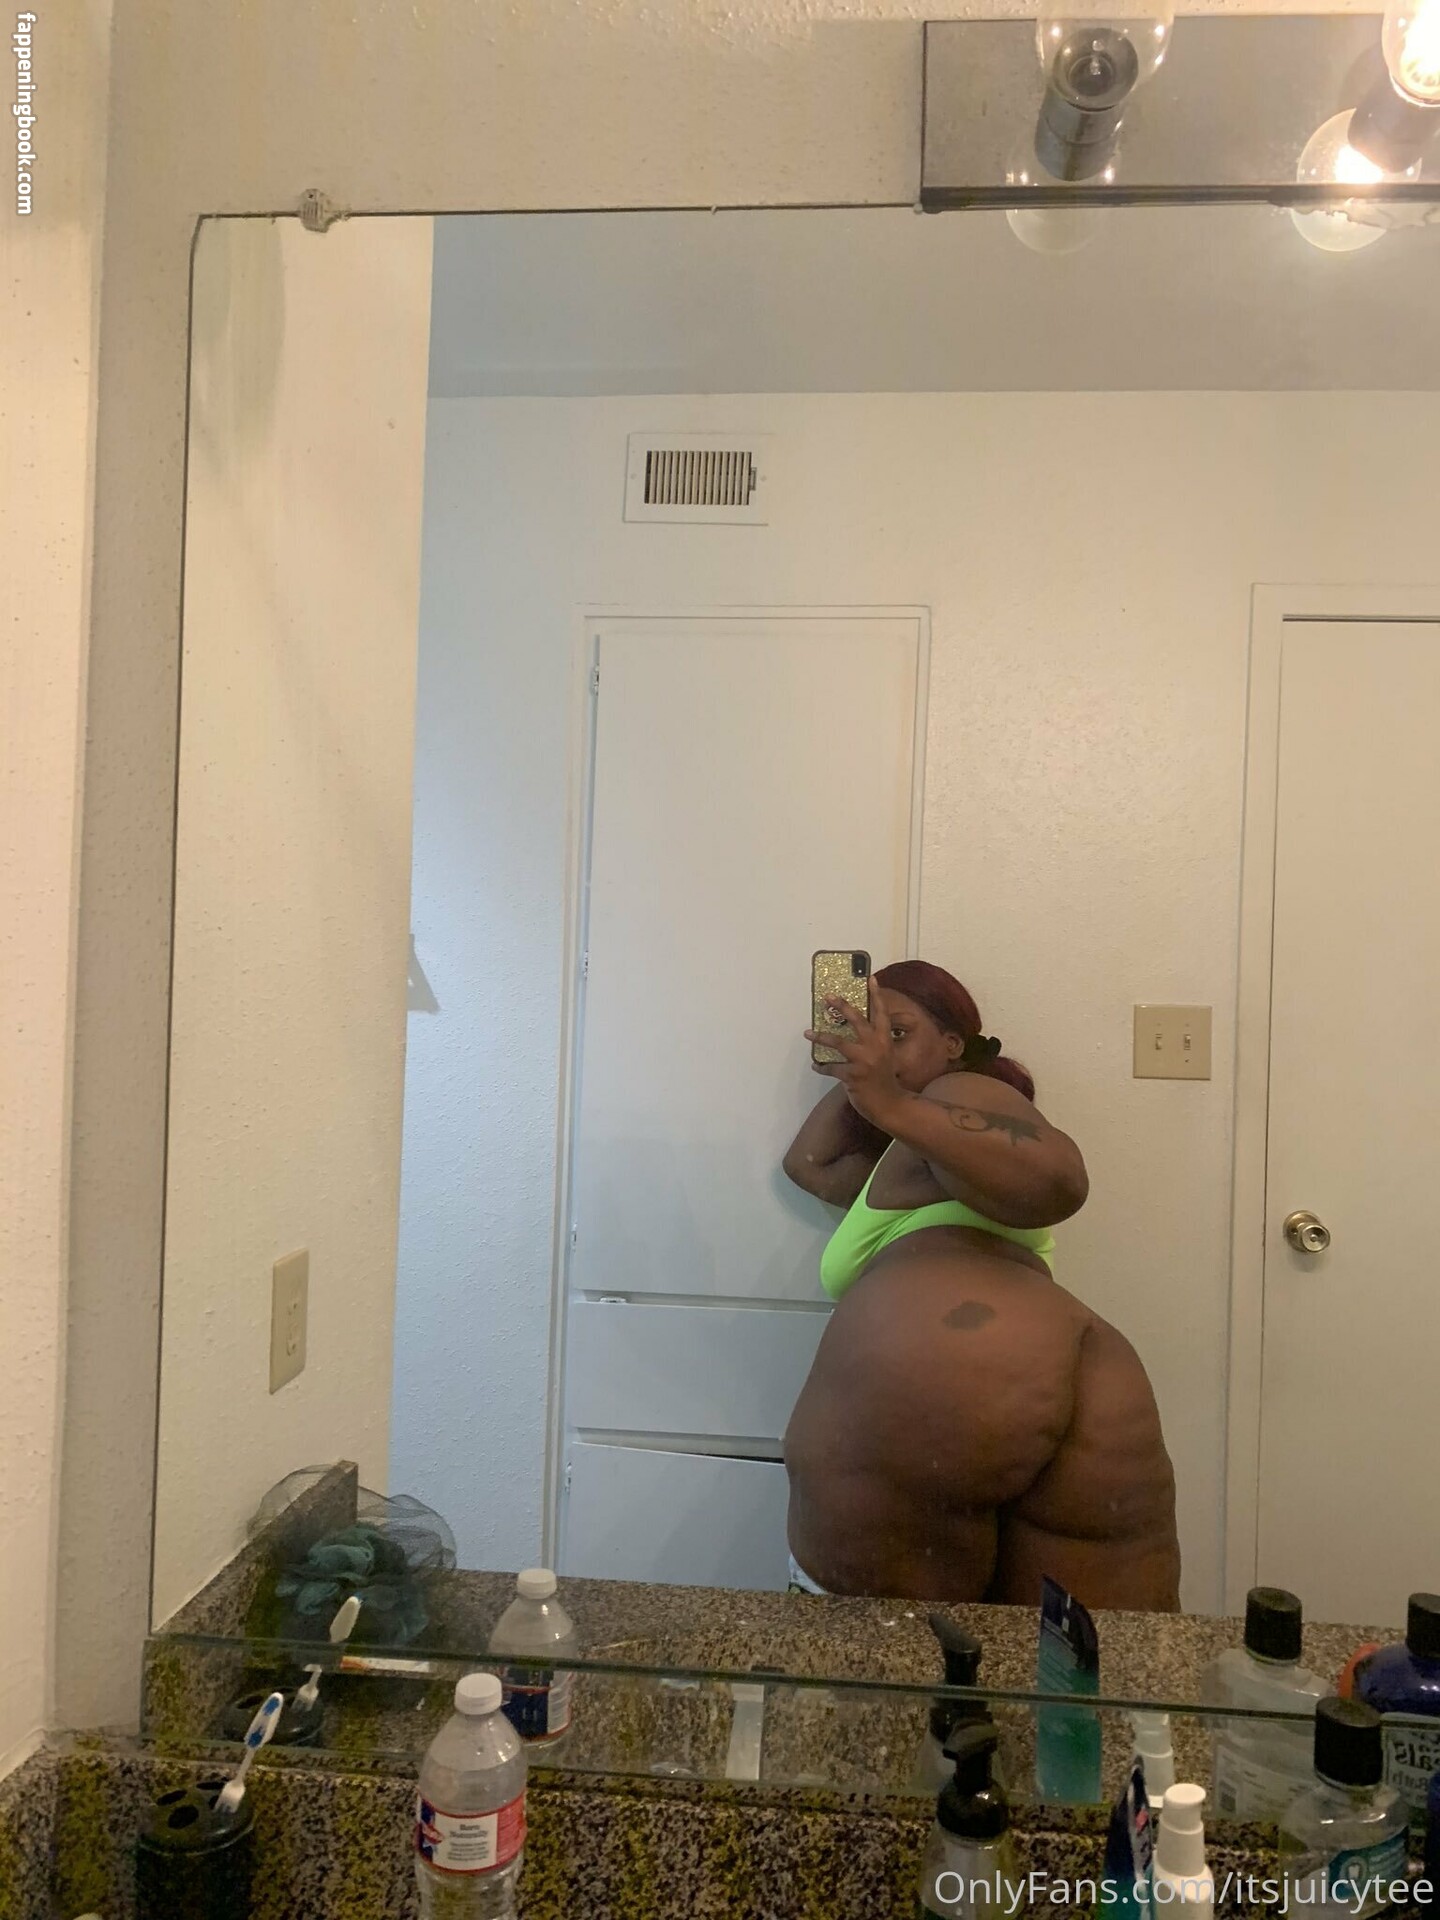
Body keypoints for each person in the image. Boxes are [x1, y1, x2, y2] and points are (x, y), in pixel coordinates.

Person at [781, 960, 1181, 1611]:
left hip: (942, 1371)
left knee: (879, 1661)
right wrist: (863, 1075)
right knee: (1081, 1659)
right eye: (874, 1030)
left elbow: (1058, 1181)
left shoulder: (967, 1090)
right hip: (1083, 1371)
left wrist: (890, 1099)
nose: (885, 1046)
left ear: (953, 1046)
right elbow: (808, 1165)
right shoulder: (910, 1157)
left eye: (899, 1031)